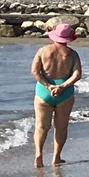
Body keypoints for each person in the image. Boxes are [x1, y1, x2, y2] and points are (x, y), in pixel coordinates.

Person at [31, 23, 83, 167]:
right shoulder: (73, 54)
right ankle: (56, 156)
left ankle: (39, 154)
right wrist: (62, 87)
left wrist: (48, 85)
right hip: (65, 93)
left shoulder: (43, 51)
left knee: (41, 126)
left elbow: (35, 71)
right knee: (61, 127)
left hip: (44, 92)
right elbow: (77, 75)